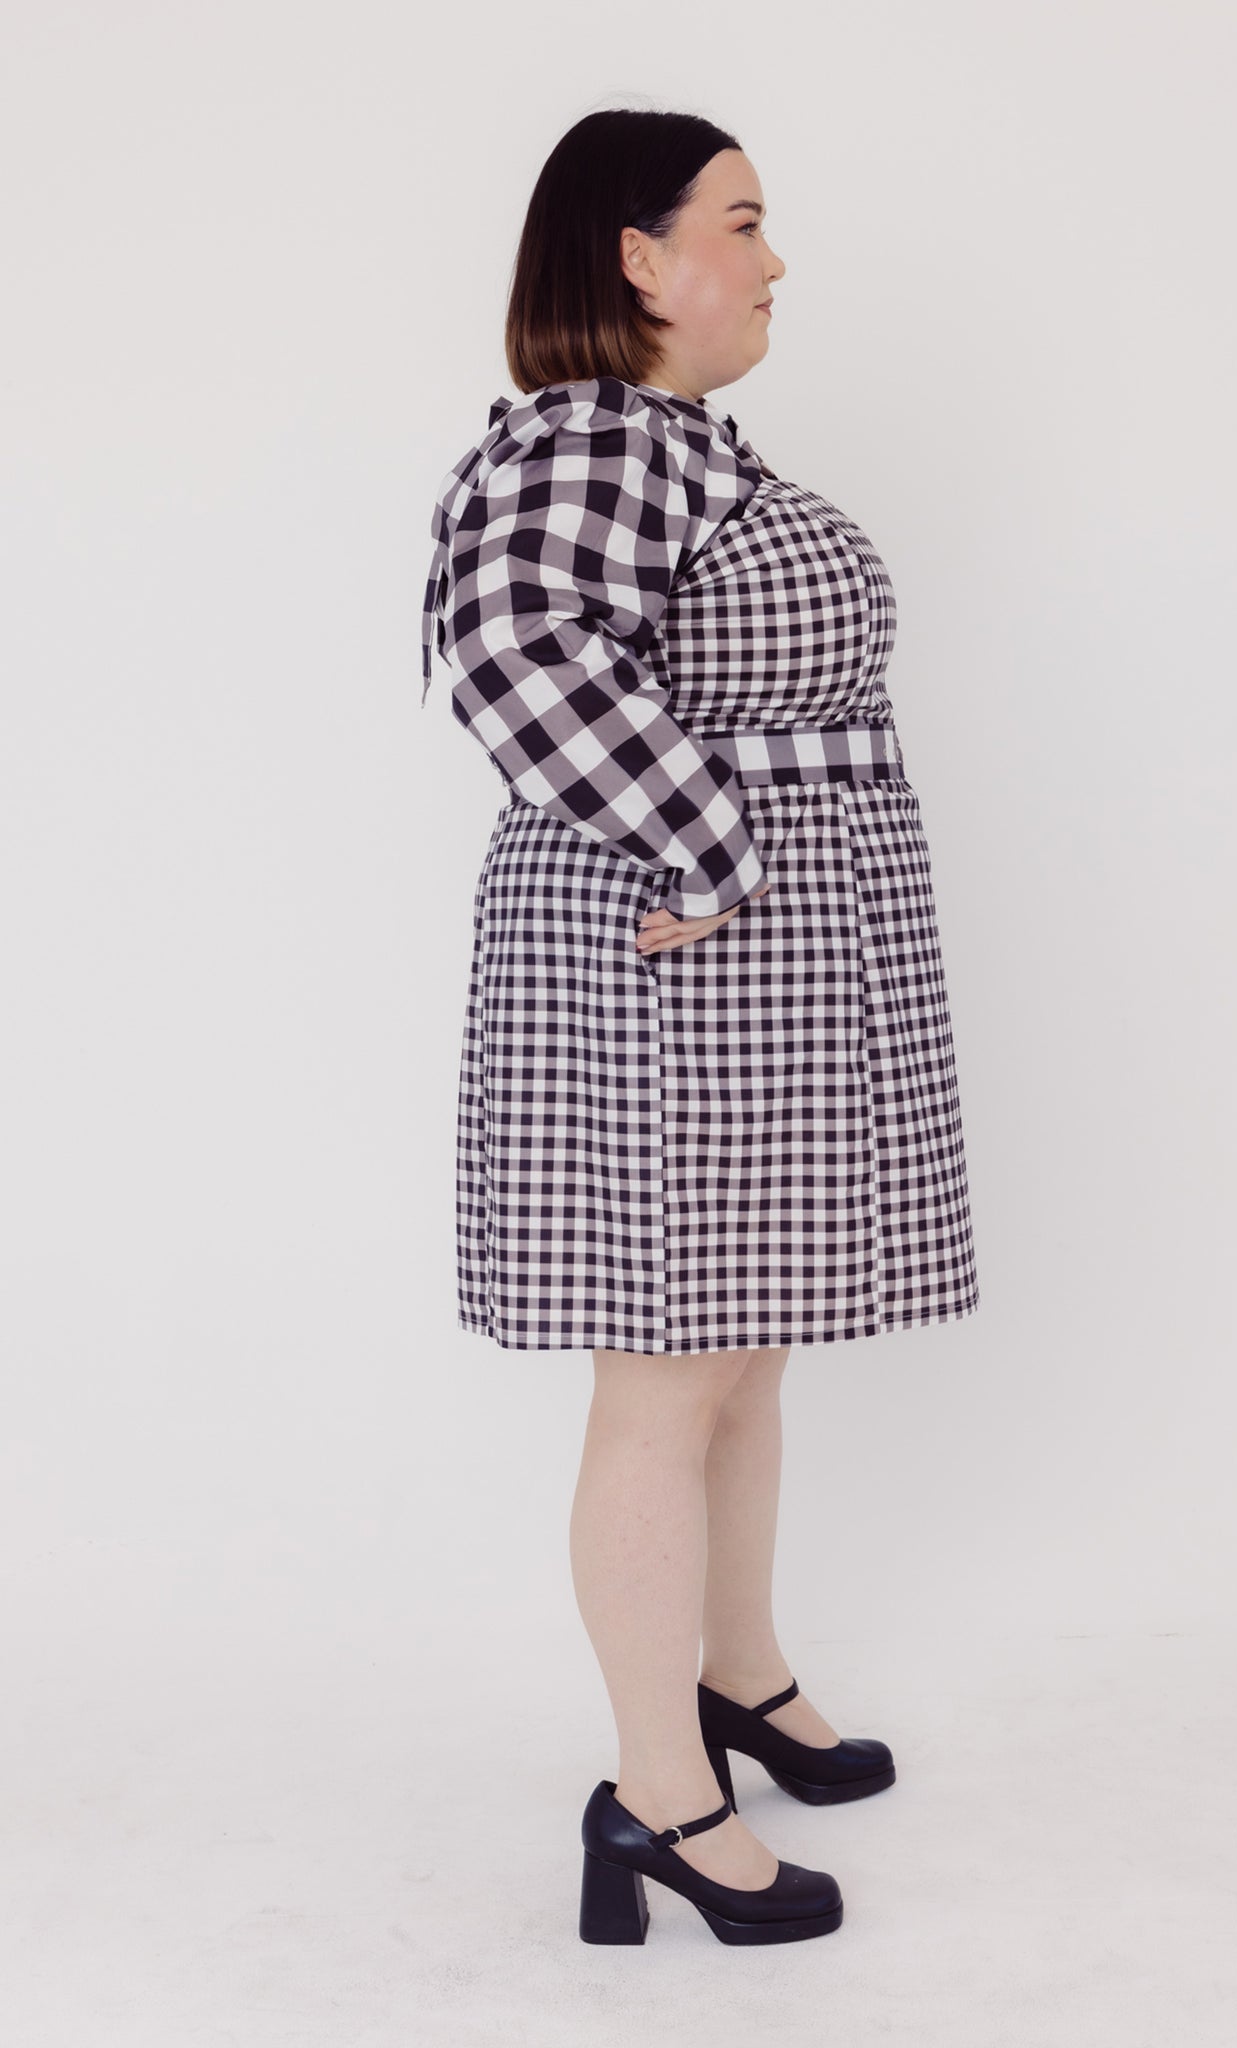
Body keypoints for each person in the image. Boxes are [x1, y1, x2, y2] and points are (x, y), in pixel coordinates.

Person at [419, 108, 979, 1946]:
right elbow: (509, 646)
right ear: (637, 257)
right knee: (664, 1380)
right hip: (666, 964)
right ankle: (656, 1798)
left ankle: (735, 1677)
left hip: (747, 965)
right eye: (740, 221)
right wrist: (708, 838)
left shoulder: (674, 443)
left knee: (741, 1354)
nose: (773, 257)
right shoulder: (592, 435)